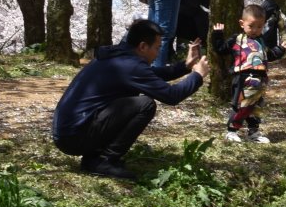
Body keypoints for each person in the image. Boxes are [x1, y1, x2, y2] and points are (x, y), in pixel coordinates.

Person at [51, 19, 209, 180]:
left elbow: (150, 75)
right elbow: (171, 96)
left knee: (135, 101)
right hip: (74, 136)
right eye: (157, 48)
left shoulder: (118, 56)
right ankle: (103, 160)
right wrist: (197, 76)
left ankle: (94, 157)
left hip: (68, 132)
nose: (158, 53)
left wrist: (185, 66)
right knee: (144, 104)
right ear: (142, 46)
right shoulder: (131, 66)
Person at [212, 5, 271, 144]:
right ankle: (232, 131)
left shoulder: (261, 41)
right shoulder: (237, 39)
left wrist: (281, 49)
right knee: (241, 104)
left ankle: (254, 132)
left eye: (259, 27)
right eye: (251, 26)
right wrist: (217, 34)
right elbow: (221, 49)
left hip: (261, 79)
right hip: (243, 77)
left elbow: (269, 55)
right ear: (242, 23)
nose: (255, 30)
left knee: (255, 106)